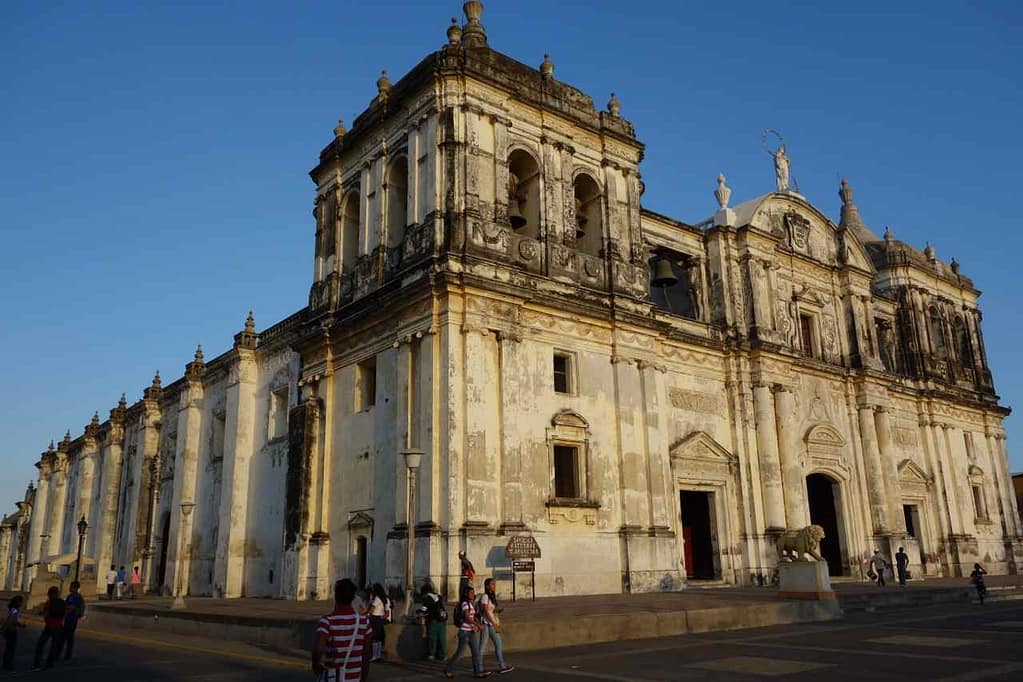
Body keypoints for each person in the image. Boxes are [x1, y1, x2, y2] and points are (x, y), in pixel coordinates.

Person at [312, 578, 372, 682]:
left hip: (332, 678)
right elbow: (366, 655)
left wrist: (316, 668)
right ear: (353, 598)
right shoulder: (364, 622)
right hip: (354, 678)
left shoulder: (327, 621)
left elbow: (318, 650)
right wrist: (363, 678)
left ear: (336, 596)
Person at [444, 585, 489, 679]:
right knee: (460, 653)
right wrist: (478, 625)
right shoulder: (464, 604)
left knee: (475, 652)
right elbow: (467, 618)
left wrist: (477, 623)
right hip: (464, 632)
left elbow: (472, 617)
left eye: (473, 593)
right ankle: (448, 669)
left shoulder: (470, 604)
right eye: (471, 593)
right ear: (466, 594)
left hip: (471, 631)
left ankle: (477, 672)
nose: (473, 594)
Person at [477, 578, 513, 674]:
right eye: (492, 584)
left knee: (498, 643)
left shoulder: (491, 596)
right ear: (487, 586)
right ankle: (479, 668)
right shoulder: (485, 596)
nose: (494, 586)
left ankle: (502, 666)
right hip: (486, 623)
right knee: (482, 646)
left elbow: (490, 610)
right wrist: (493, 623)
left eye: (494, 584)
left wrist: (497, 611)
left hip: (491, 623)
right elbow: (485, 611)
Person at [32, 586, 65, 670]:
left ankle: (37, 662)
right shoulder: (62, 602)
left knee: (41, 644)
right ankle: (50, 662)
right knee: (54, 645)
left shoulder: (49, 602)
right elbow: (65, 613)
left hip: (50, 625)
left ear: (50, 594)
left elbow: (46, 614)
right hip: (58, 625)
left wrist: (45, 618)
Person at [417, 583, 447, 661]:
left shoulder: (427, 598)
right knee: (442, 639)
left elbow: (423, 610)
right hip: (442, 621)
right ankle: (443, 655)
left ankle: (431, 654)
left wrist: (418, 612)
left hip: (433, 621)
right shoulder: (439, 597)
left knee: (432, 639)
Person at [365, 583, 390, 663]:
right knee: (379, 639)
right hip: (380, 619)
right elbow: (387, 613)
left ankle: (374, 656)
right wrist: (381, 617)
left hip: (375, 618)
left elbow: (372, 609)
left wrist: (367, 615)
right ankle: (378, 656)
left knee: (374, 638)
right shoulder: (384, 599)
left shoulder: (377, 598)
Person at [62, 580, 86, 661]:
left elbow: (81, 608)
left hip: (73, 619)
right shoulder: (69, 596)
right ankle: (61, 652)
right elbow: (65, 605)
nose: (70, 588)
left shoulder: (78, 597)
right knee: (64, 636)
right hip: (67, 618)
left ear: (75, 588)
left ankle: (68, 654)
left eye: (71, 587)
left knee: (69, 637)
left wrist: (75, 611)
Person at [3, 595, 27, 672]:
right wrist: (21, 625)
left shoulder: (11, 609)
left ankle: (5, 663)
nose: (22, 603)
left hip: (8, 630)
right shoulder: (15, 610)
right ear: (18, 602)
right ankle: (8, 664)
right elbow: (11, 621)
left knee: (8, 648)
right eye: (21, 602)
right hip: (11, 631)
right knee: (11, 648)